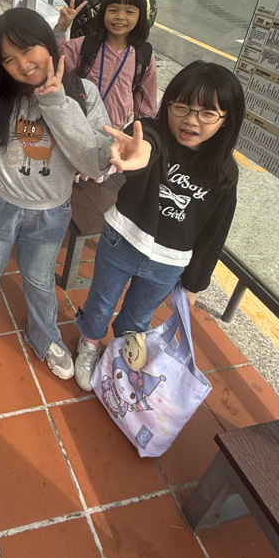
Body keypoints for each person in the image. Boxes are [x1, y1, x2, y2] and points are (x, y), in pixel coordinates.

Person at [0, 8, 115, 381]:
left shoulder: (82, 93)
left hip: (50, 211)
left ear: (48, 42)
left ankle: (44, 335)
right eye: (9, 59)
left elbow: (93, 163)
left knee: (39, 279)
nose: (22, 65)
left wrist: (56, 102)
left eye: (28, 50)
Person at [73, 61, 245, 392]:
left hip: (168, 262)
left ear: (227, 120)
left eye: (207, 113)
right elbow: (145, 140)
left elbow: (215, 232)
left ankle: (121, 357)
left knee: (138, 319)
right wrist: (137, 156)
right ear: (168, 104)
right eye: (181, 107)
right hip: (122, 240)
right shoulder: (154, 138)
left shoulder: (224, 173)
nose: (191, 120)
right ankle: (90, 344)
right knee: (101, 302)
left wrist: (194, 284)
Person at [55, 0, 157, 130]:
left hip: (113, 131)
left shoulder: (143, 56)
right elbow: (53, 63)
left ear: (140, 17)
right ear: (103, 13)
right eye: (113, 10)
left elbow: (146, 102)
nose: (120, 16)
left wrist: (143, 132)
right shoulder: (84, 45)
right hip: (77, 125)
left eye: (130, 12)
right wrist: (61, 28)